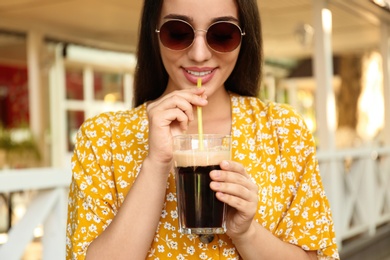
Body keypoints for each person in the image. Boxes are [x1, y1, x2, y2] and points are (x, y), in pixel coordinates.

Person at [66, 0, 340, 259]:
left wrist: (247, 233)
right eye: (178, 32)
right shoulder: (103, 137)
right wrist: (156, 164)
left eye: (222, 34)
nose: (199, 55)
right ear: (155, 33)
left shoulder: (283, 130)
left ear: (245, 36)